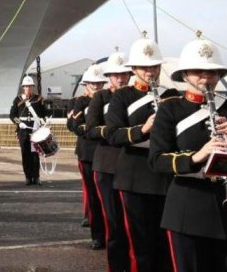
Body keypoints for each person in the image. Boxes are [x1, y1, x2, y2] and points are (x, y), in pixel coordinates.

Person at [150, 34, 227, 272]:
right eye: (198, 72)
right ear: (185, 75)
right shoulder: (170, 109)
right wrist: (198, 155)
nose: (206, 78)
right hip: (189, 207)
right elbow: (157, 160)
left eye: (213, 72)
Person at [106, 33, 178, 272]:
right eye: (144, 67)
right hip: (135, 176)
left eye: (154, 67)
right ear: (134, 68)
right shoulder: (123, 97)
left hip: (166, 175)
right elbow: (113, 135)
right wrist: (144, 129)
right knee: (141, 242)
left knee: (167, 242)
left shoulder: (171, 96)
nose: (150, 72)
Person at [85, 48, 133, 272]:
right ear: (109, 77)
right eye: (115, 74)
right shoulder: (101, 97)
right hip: (108, 164)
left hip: (134, 165)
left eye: (124, 74)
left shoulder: (137, 96)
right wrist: (116, 132)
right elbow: (91, 129)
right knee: (114, 222)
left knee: (136, 224)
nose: (120, 78)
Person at [67, 65, 107, 250]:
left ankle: (110, 232)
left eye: (100, 83)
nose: (97, 86)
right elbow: (75, 125)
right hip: (88, 153)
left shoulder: (110, 99)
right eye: (93, 83)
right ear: (87, 84)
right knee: (93, 196)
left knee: (109, 198)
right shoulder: (80, 102)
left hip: (107, 152)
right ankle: (97, 235)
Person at [9, 75, 51, 185]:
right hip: (23, 130)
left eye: (30, 86)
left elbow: (45, 113)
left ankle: (36, 177)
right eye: (26, 86)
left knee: (35, 154)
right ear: (23, 87)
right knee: (25, 154)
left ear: (33, 87)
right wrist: (19, 123)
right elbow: (12, 115)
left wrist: (46, 120)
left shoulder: (38, 98)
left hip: (35, 130)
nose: (28, 88)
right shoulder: (17, 99)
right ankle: (28, 177)